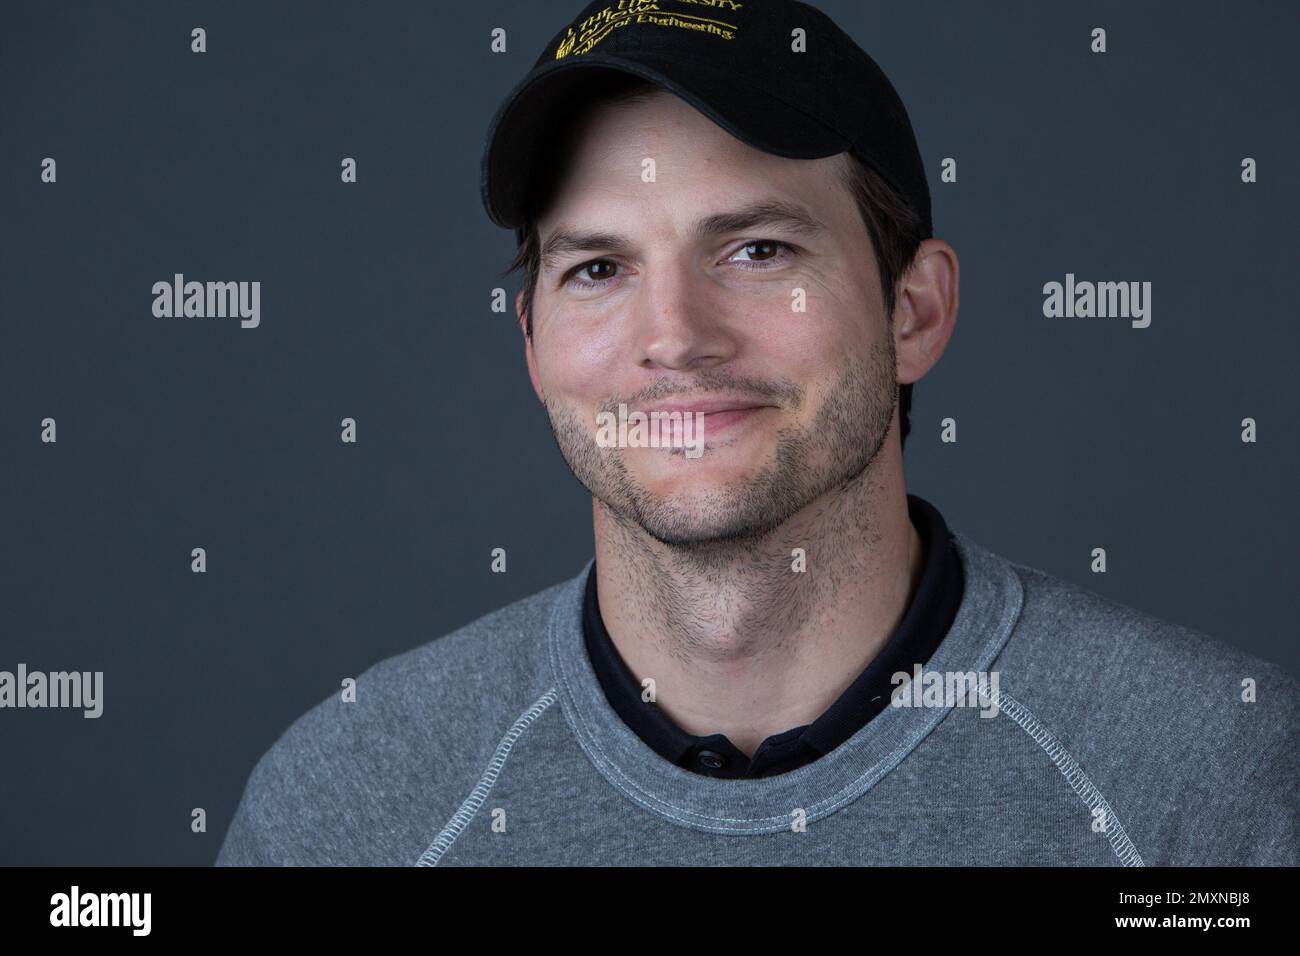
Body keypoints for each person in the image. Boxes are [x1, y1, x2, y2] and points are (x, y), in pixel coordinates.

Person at [216, 0, 1298, 866]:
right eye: (598, 268)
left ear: (911, 311)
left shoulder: (1212, 782)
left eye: (757, 251)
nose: (674, 337)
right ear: (533, 343)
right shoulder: (353, 805)